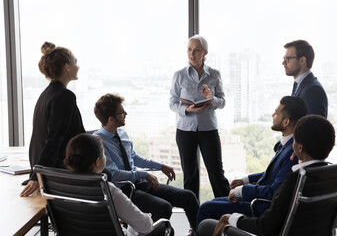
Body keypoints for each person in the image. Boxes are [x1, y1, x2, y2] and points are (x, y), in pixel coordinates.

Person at [198, 115, 335, 236]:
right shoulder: (330, 174)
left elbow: (265, 227)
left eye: (294, 140)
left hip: (268, 228)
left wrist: (229, 218)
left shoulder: (295, 179)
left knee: (205, 225)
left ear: (299, 148)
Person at [93, 93, 199, 236]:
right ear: (111, 119)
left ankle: (198, 233)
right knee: (164, 208)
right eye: (121, 112)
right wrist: (145, 174)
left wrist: (161, 166)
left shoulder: (122, 133)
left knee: (189, 197)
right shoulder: (98, 142)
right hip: (125, 190)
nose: (126, 114)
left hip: (140, 182)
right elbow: (115, 174)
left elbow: (135, 158)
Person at [196, 96, 308, 228]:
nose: (272, 115)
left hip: (260, 207)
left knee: (206, 208)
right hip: (259, 200)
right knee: (215, 202)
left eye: (276, 113)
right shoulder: (289, 145)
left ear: (286, 122)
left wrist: (242, 190)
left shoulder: (292, 153)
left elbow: (274, 192)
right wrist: (246, 180)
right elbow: (272, 175)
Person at [64, 133, 172, 236]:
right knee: (163, 226)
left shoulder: (61, 186)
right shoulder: (107, 189)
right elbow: (145, 226)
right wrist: (144, 217)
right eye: (103, 154)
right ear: (97, 161)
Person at [20, 42, 85, 197]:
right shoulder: (64, 96)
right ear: (67, 67)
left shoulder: (47, 94)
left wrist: (36, 170)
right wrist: (37, 175)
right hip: (57, 172)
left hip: (46, 169)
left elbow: (41, 136)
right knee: (110, 177)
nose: (78, 66)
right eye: (75, 62)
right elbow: (54, 139)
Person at [169, 34, 230, 200]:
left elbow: (223, 102)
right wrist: (186, 109)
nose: (192, 54)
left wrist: (211, 98)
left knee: (217, 175)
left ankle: (226, 216)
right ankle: (193, 222)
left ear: (205, 53)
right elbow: (172, 102)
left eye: (196, 50)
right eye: (189, 49)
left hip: (208, 129)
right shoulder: (179, 75)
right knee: (190, 177)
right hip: (185, 130)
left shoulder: (215, 74)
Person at [283, 39, 328, 117]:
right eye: (284, 59)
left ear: (302, 60)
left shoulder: (313, 91)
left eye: (288, 59)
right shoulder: (299, 84)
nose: (283, 63)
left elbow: (313, 127)